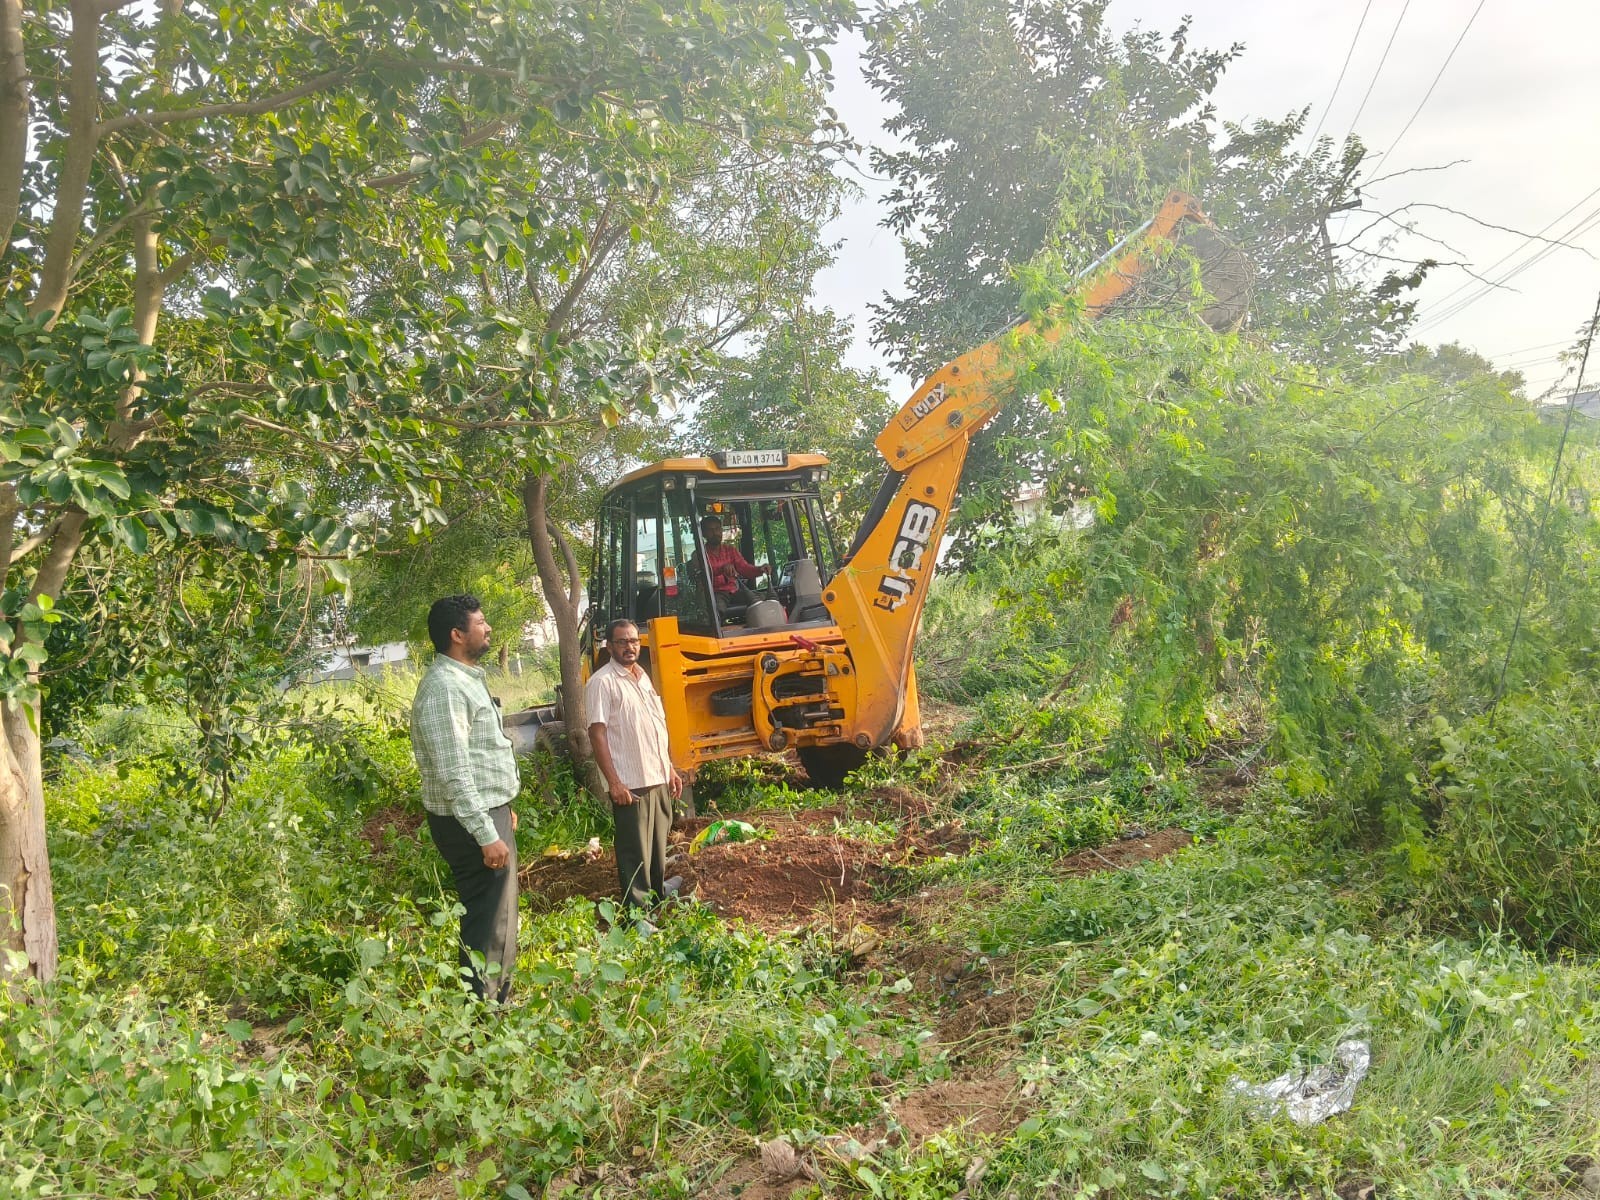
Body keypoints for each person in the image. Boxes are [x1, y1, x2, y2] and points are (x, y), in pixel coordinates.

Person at [410, 594, 520, 1002]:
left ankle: (496, 1001)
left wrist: (500, 810)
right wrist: (483, 830)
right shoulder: (445, 689)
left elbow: (480, 757)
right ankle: (483, 1013)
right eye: (481, 622)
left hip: (487, 813)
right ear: (457, 635)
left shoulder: (464, 679)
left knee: (499, 916)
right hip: (469, 821)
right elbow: (454, 771)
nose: (488, 628)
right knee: (487, 922)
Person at [585, 619, 684, 926]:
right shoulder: (602, 682)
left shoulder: (642, 677)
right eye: (622, 642)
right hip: (629, 780)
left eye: (634, 641)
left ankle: (656, 890)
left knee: (657, 841)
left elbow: (655, 727)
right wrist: (614, 782)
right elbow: (597, 733)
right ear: (610, 646)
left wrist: (669, 767)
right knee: (634, 848)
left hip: (656, 773)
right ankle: (637, 913)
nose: (630, 647)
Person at [692, 515, 766, 611]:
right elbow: (703, 574)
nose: (715, 533)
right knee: (718, 609)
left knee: (763, 598)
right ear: (703, 534)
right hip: (715, 594)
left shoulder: (730, 550)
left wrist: (760, 569)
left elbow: (744, 568)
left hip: (734, 592)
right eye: (710, 530)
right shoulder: (698, 554)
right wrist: (722, 569)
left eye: (717, 529)